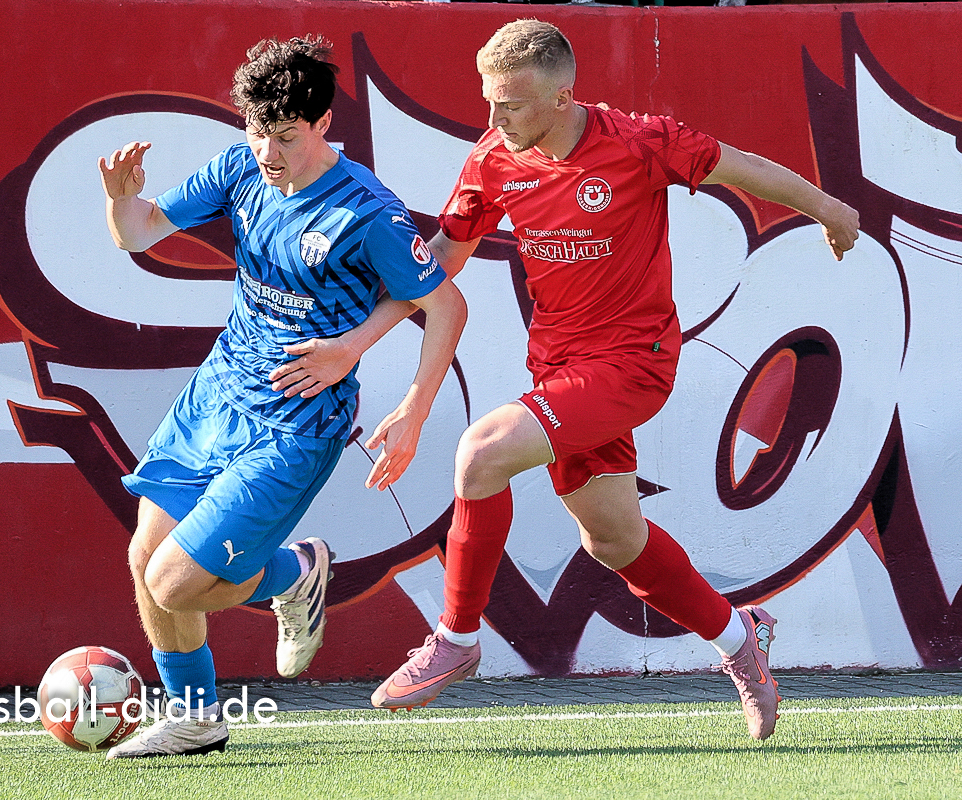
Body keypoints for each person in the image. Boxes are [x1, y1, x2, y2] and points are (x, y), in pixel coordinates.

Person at [274, 19, 858, 741]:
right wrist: (355, 342)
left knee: (481, 453)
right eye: (489, 99)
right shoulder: (495, 157)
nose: (494, 116)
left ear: (561, 97)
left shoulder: (640, 142)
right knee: (613, 541)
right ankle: (742, 638)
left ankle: (456, 639)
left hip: (634, 364)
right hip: (558, 369)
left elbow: (740, 168)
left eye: (511, 103)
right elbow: (438, 262)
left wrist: (830, 210)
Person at [96, 35, 466, 758]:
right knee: (145, 556)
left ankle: (294, 572)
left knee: (173, 583)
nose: (269, 152)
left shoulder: (367, 212)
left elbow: (446, 307)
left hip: (297, 424)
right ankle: (196, 719)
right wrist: (121, 202)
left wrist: (403, 400)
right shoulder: (240, 167)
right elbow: (136, 235)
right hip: (216, 396)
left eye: (287, 136)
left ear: (323, 123)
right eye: (258, 131)